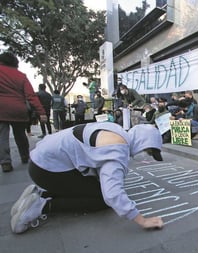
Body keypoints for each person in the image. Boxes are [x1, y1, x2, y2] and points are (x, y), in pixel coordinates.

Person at [10, 123, 164, 234]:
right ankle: (41, 206)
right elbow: (112, 194)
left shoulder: (115, 129)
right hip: (46, 170)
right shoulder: (118, 149)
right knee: (101, 199)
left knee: (94, 187)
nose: (145, 156)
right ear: (141, 143)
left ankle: (40, 192)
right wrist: (143, 221)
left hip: (40, 161)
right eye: (148, 152)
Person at [0, 51, 46, 172]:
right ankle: (25, 156)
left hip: (1, 109)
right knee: (20, 135)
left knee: (1, 137)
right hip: (18, 109)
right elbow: (31, 95)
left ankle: (5, 162)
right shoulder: (21, 76)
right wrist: (41, 112)